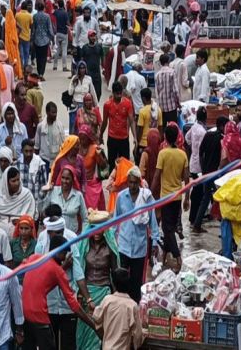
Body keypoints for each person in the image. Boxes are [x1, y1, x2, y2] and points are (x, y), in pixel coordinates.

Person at [21, 235, 95, 350]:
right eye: (64, 253)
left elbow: (26, 270)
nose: (65, 257)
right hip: (40, 316)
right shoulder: (57, 270)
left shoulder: (34, 258)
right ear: (58, 251)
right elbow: (73, 304)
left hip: (25, 313)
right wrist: (93, 325)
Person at [115, 166, 160, 302]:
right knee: (121, 281)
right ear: (127, 182)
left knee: (136, 282)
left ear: (139, 182)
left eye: (135, 183)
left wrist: (155, 241)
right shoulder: (121, 197)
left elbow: (152, 221)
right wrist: (112, 240)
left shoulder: (146, 198)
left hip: (139, 247)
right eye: (130, 182)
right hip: (123, 246)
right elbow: (116, 220)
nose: (133, 186)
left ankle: (134, 306)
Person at [76, 212, 119, 350]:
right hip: (86, 293)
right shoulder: (84, 246)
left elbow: (115, 273)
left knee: (98, 333)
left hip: (103, 293)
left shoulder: (110, 248)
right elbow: (80, 272)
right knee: (84, 331)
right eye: (94, 228)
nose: (97, 232)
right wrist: (82, 295)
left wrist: (116, 297)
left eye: (100, 229)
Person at [154, 124, 190, 269]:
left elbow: (157, 176)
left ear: (165, 137)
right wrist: (187, 198)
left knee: (167, 229)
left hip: (165, 198)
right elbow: (186, 179)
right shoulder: (183, 154)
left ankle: (178, 257)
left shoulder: (162, 154)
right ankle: (164, 256)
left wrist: (149, 194)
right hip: (178, 197)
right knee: (169, 228)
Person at [91, 268, 144, 349]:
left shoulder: (107, 300)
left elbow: (96, 318)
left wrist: (103, 334)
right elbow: (138, 335)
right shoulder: (132, 306)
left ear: (113, 284)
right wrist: (136, 344)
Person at [191, 116, 226, 234]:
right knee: (214, 197)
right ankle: (199, 224)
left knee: (207, 197)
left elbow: (201, 152)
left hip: (206, 172)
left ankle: (198, 223)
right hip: (215, 173)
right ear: (222, 126)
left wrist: (203, 168)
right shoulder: (221, 139)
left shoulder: (208, 135)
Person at [100, 82, 137, 171]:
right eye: (117, 94)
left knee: (125, 164)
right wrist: (100, 135)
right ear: (113, 93)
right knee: (112, 164)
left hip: (124, 138)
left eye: (120, 93)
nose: (119, 96)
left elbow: (132, 121)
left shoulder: (127, 103)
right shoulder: (107, 105)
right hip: (112, 138)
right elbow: (104, 122)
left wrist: (135, 137)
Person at [0, 167, 36, 235]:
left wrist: (21, 221)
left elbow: (30, 215)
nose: (17, 183)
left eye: (18, 179)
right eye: (13, 181)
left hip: (21, 234)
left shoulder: (26, 195)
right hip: (0, 233)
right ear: (6, 182)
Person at [186, 107, 208, 227]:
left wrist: (192, 148)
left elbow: (187, 138)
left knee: (197, 190)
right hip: (199, 165)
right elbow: (203, 151)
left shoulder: (194, 127)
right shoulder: (203, 132)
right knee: (198, 192)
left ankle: (194, 216)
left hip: (193, 163)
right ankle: (194, 218)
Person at [48, 168, 87, 234]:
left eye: (67, 178)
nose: (64, 181)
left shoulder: (78, 195)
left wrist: (83, 235)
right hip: (54, 236)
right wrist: (43, 193)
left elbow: (85, 219)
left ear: (73, 179)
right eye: (63, 177)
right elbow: (42, 211)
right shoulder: (53, 191)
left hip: (72, 236)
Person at [78, 126, 107, 212]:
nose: (82, 141)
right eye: (80, 139)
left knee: (92, 211)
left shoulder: (94, 148)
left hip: (91, 184)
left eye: (84, 139)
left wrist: (99, 155)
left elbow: (103, 166)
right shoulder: (77, 147)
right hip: (79, 183)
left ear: (89, 138)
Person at [67, 62, 97, 135]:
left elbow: (93, 93)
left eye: (83, 68)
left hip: (85, 106)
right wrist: (73, 83)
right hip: (75, 106)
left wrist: (96, 106)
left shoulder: (88, 79)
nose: (82, 70)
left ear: (85, 69)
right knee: (73, 126)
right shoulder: (74, 78)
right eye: (80, 68)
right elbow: (70, 93)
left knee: (84, 127)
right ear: (78, 69)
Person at [155, 54, 180, 127]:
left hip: (161, 107)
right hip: (171, 106)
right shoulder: (172, 72)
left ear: (160, 63)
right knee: (173, 127)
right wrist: (178, 103)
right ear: (168, 61)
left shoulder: (157, 75)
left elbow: (157, 92)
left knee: (162, 128)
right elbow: (175, 90)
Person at [31, 0, 54, 76]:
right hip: (45, 39)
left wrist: (32, 38)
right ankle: (42, 73)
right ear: (44, 8)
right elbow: (50, 28)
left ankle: (39, 71)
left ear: (37, 8)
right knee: (44, 57)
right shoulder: (47, 16)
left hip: (37, 39)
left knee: (38, 56)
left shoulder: (35, 16)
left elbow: (33, 29)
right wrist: (52, 38)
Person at [80, 30, 104, 99]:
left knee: (98, 92)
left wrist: (103, 67)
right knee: (87, 92)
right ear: (88, 37)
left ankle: (95, 103)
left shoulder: (99, 47)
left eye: (94, 36)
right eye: (91, 36)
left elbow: (102, 57)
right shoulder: (84, 48)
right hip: (88, 73)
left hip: (97, 74)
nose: (93, 38)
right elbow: (81, 61)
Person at [16, 0, 34, 72]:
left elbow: (15, 24)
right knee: (26, 52)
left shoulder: (17, 15)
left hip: (19, 36)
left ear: (21, 7)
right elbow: (31, 26)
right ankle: (25, 66)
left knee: (21, 53)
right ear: (26, 7)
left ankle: (21, 66)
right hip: (27, 36)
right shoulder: (29, 16)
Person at [52, 0, 69, 71]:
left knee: (57, 50)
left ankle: (55, 66)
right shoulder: (65, 13)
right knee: (64, 50)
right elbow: (67, 23)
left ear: (58, 5)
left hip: (57, 33)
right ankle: (64, 67)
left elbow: (52, 19)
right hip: (64, 33)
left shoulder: (55, 12)